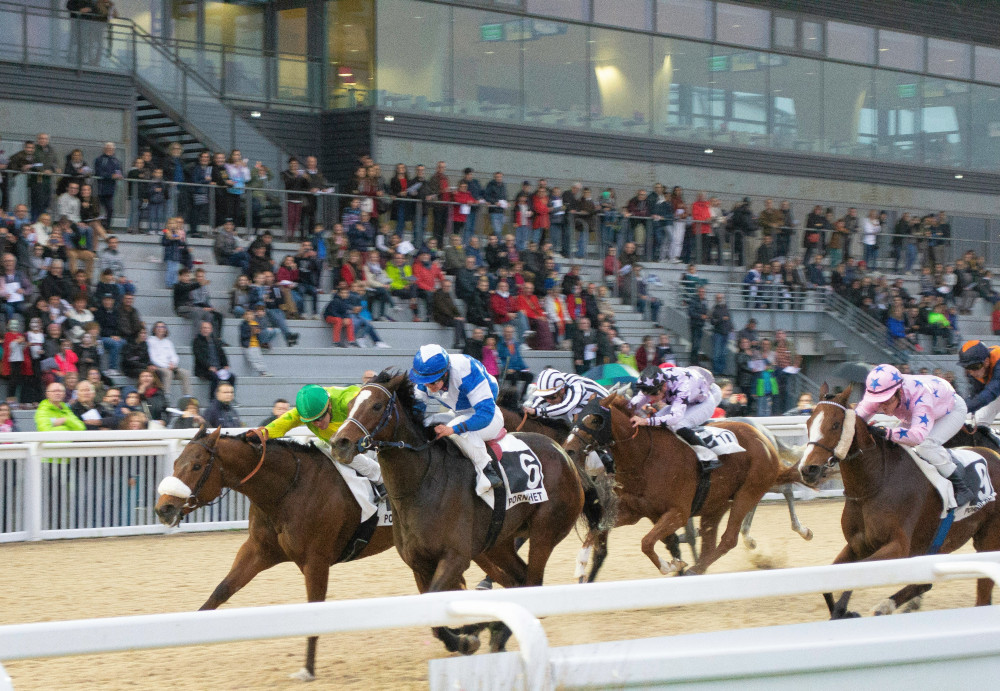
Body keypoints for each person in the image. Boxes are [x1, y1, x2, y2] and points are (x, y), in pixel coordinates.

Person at [856, 364, 974, 506]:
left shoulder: (921, 396)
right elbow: (855, 419)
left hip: (951, 410)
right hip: (917, 412)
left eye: (887, 401)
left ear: (899, 391)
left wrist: (885, 431)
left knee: (926, 446)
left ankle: (962, 488)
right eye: (878, 403)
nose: (882, 407)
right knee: (895, 442)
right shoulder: (880, 394)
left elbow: (917, 437)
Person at [248, 384, 386, 501]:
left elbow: (372, 403)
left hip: (366, 444)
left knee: (338, 451)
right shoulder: (304, 412)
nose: (317, 424)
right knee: (317, 449)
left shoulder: (347, 399)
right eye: (311, 422)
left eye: (320, 418)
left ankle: (381, 479)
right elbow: (283, 423)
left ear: (329, 406)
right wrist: (263, 433)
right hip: (339, 442)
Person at [410, 344, 504, 496]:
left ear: (445, 374)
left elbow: (485, 415)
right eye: (424, 382)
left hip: (488, 415)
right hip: (459, 413)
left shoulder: (466, 369)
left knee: (454, 428)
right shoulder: (425, 379)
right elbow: (416, 412)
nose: (428, 386)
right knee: (429, 422)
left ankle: (487, 470)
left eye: (433, 382)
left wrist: (453, 429)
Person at [628, 365, 724, 470]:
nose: (650, 399)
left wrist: (646, 421)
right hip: (687, 400)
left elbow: (675, 418)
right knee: (656, 419)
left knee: (678, 425)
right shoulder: (651, 382)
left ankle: (709, 458)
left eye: (653, 395)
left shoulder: (682, 385)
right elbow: (634, 404)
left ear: (664, 386)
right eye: (648, 394)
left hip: (703, 403)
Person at [523, 368, 613, 473]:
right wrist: (530, 409)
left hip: (604, 409)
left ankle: (605, 457)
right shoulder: (557, 387)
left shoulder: (576, 386)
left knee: (577, 424)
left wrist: (538, 411)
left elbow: (566, 407)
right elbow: (538, 401)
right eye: (545, 397)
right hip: (585, 407)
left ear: (562, 390)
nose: (548, 401)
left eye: (552, 397)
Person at [957, 340, 1000, 430]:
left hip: (996, 389)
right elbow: (976, 395)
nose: (972, 372)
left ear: (987, 361)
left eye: (974, 367)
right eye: (967, 368)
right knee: (980, 421)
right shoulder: (974, 372)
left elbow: (990, 393)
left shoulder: (998, 360)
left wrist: (961, 409)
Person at [192, 320, 236, 398]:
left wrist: (226, 364)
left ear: (211, 330)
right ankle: (213, 399)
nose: (206, 330)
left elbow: (222, 353)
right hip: (204, 369)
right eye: (204, 328)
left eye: (208, 328)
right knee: (215, 377)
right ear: (201, 329)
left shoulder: (215, 341)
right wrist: (209, 367)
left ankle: (230, 397)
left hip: (218, 368)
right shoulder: (197, 341)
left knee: (232, 377)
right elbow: (199, 357)